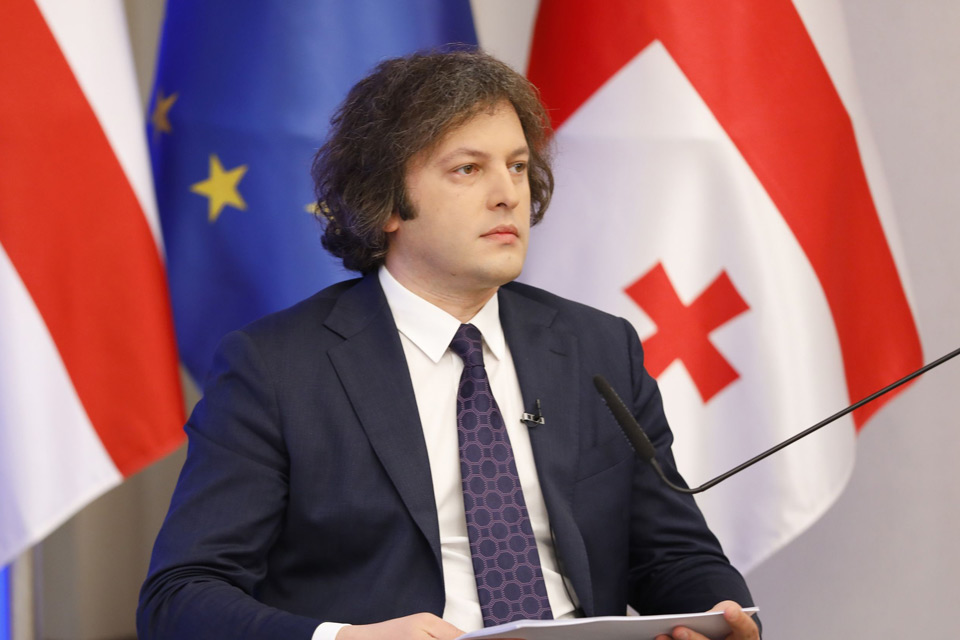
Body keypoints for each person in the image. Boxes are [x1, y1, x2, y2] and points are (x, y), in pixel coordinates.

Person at [138, 49, 760, 640]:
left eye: (517, 166)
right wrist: (348, 638)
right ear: (386, 203)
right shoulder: (276, 368)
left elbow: (673, 555)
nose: (508, 194)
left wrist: (720, 614)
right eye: (468, 169)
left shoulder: (598, 348)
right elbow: (181, 594)